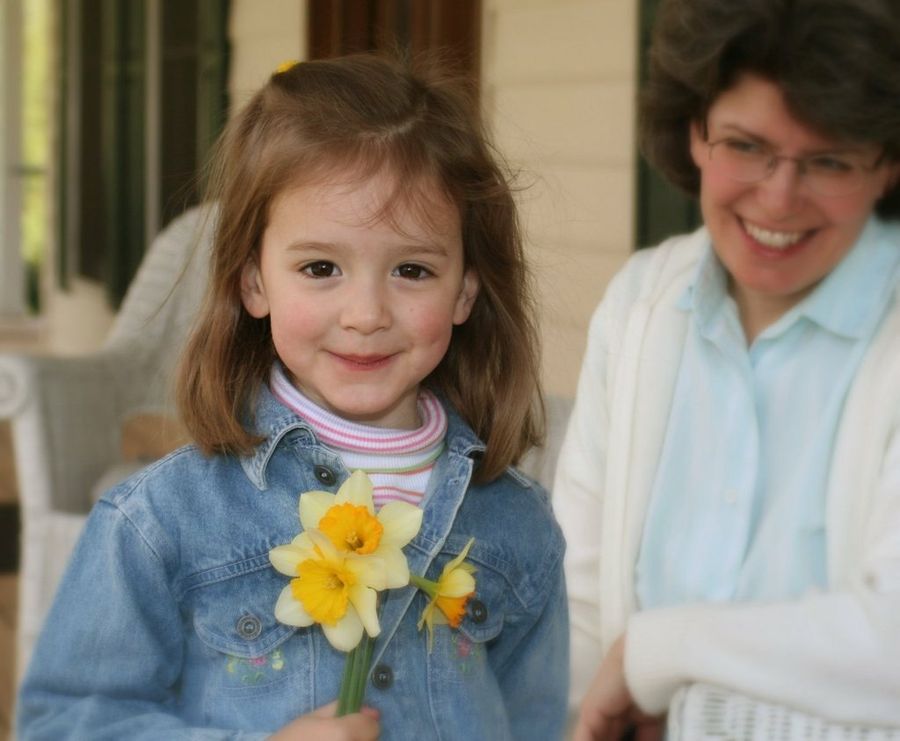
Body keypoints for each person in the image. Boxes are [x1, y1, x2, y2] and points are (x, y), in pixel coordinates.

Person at [16, 54, 568, 740]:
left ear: (465, 293)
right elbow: (66, 724)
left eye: (411, 269)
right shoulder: (160, 521)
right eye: (321, 267)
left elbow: (535, 722)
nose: (366, 314)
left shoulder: (518, 524)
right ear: (253, 281)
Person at [553, 0, 900, 738]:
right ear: (694, 132)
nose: (778, 197)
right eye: (745, 145)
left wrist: (656, 651)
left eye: (829, 160)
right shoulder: (642, 303)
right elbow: (578, 608)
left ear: (888, 165)